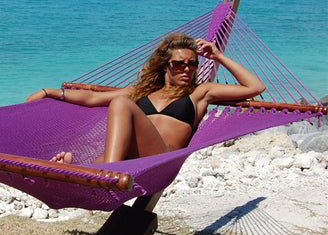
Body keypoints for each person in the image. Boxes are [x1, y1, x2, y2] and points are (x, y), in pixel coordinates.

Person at [25, 33, 265, 164]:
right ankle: (73, 169)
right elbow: (91, 99)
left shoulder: (200, 92)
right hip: (127, 157)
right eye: (179, 64)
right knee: (87, 170)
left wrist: (219, 56)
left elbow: (255, 86)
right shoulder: (142, 91)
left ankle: (103, 173)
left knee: (120, 104)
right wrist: (51, 92)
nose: (187, 69)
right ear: (165, 66)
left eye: (192, 64)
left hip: (159, 160)